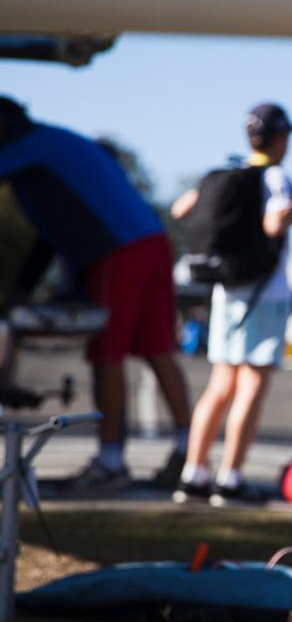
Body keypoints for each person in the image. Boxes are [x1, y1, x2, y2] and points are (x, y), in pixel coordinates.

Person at [0, 96, 190, 489]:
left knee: (108, 354)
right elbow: (49, 234)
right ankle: (191, 452)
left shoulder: (26, 146)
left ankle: (111, 463)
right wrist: (24, 287)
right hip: (150, 240)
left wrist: (24, 291)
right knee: (158, 350)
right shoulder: (54, 142)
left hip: (117, 251)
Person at [171, 102, 292, 506]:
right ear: (281, 139)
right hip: (263, 293)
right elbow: (274, 225)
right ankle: (230, 478)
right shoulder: (276, 176)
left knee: (220, 385)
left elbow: (182, 209)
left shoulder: (230, 173)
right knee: (252, 384)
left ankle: (193, 474)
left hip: (226, 290)